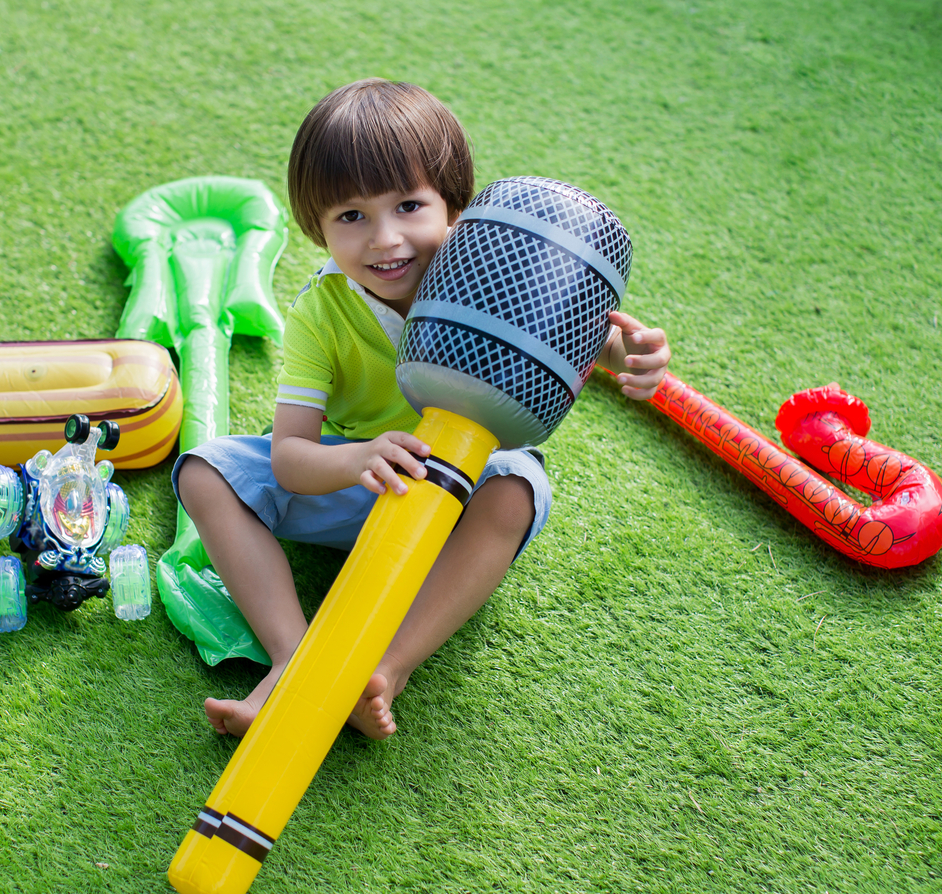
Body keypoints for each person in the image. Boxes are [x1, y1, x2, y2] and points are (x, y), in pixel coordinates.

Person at [174, 78, 671, 739]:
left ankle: (386, 665)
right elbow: (291, 458)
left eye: (408, 205)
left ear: (452, 209)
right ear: (316, 230)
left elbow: (573, 334)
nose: (386, 240)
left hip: (459, 497)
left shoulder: (487, 267)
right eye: (350, 217)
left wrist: (627, 352)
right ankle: (295, 658)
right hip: (360, 485)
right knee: (204, 469)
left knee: (519, 485)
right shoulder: (320, 313)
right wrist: (357, 457)